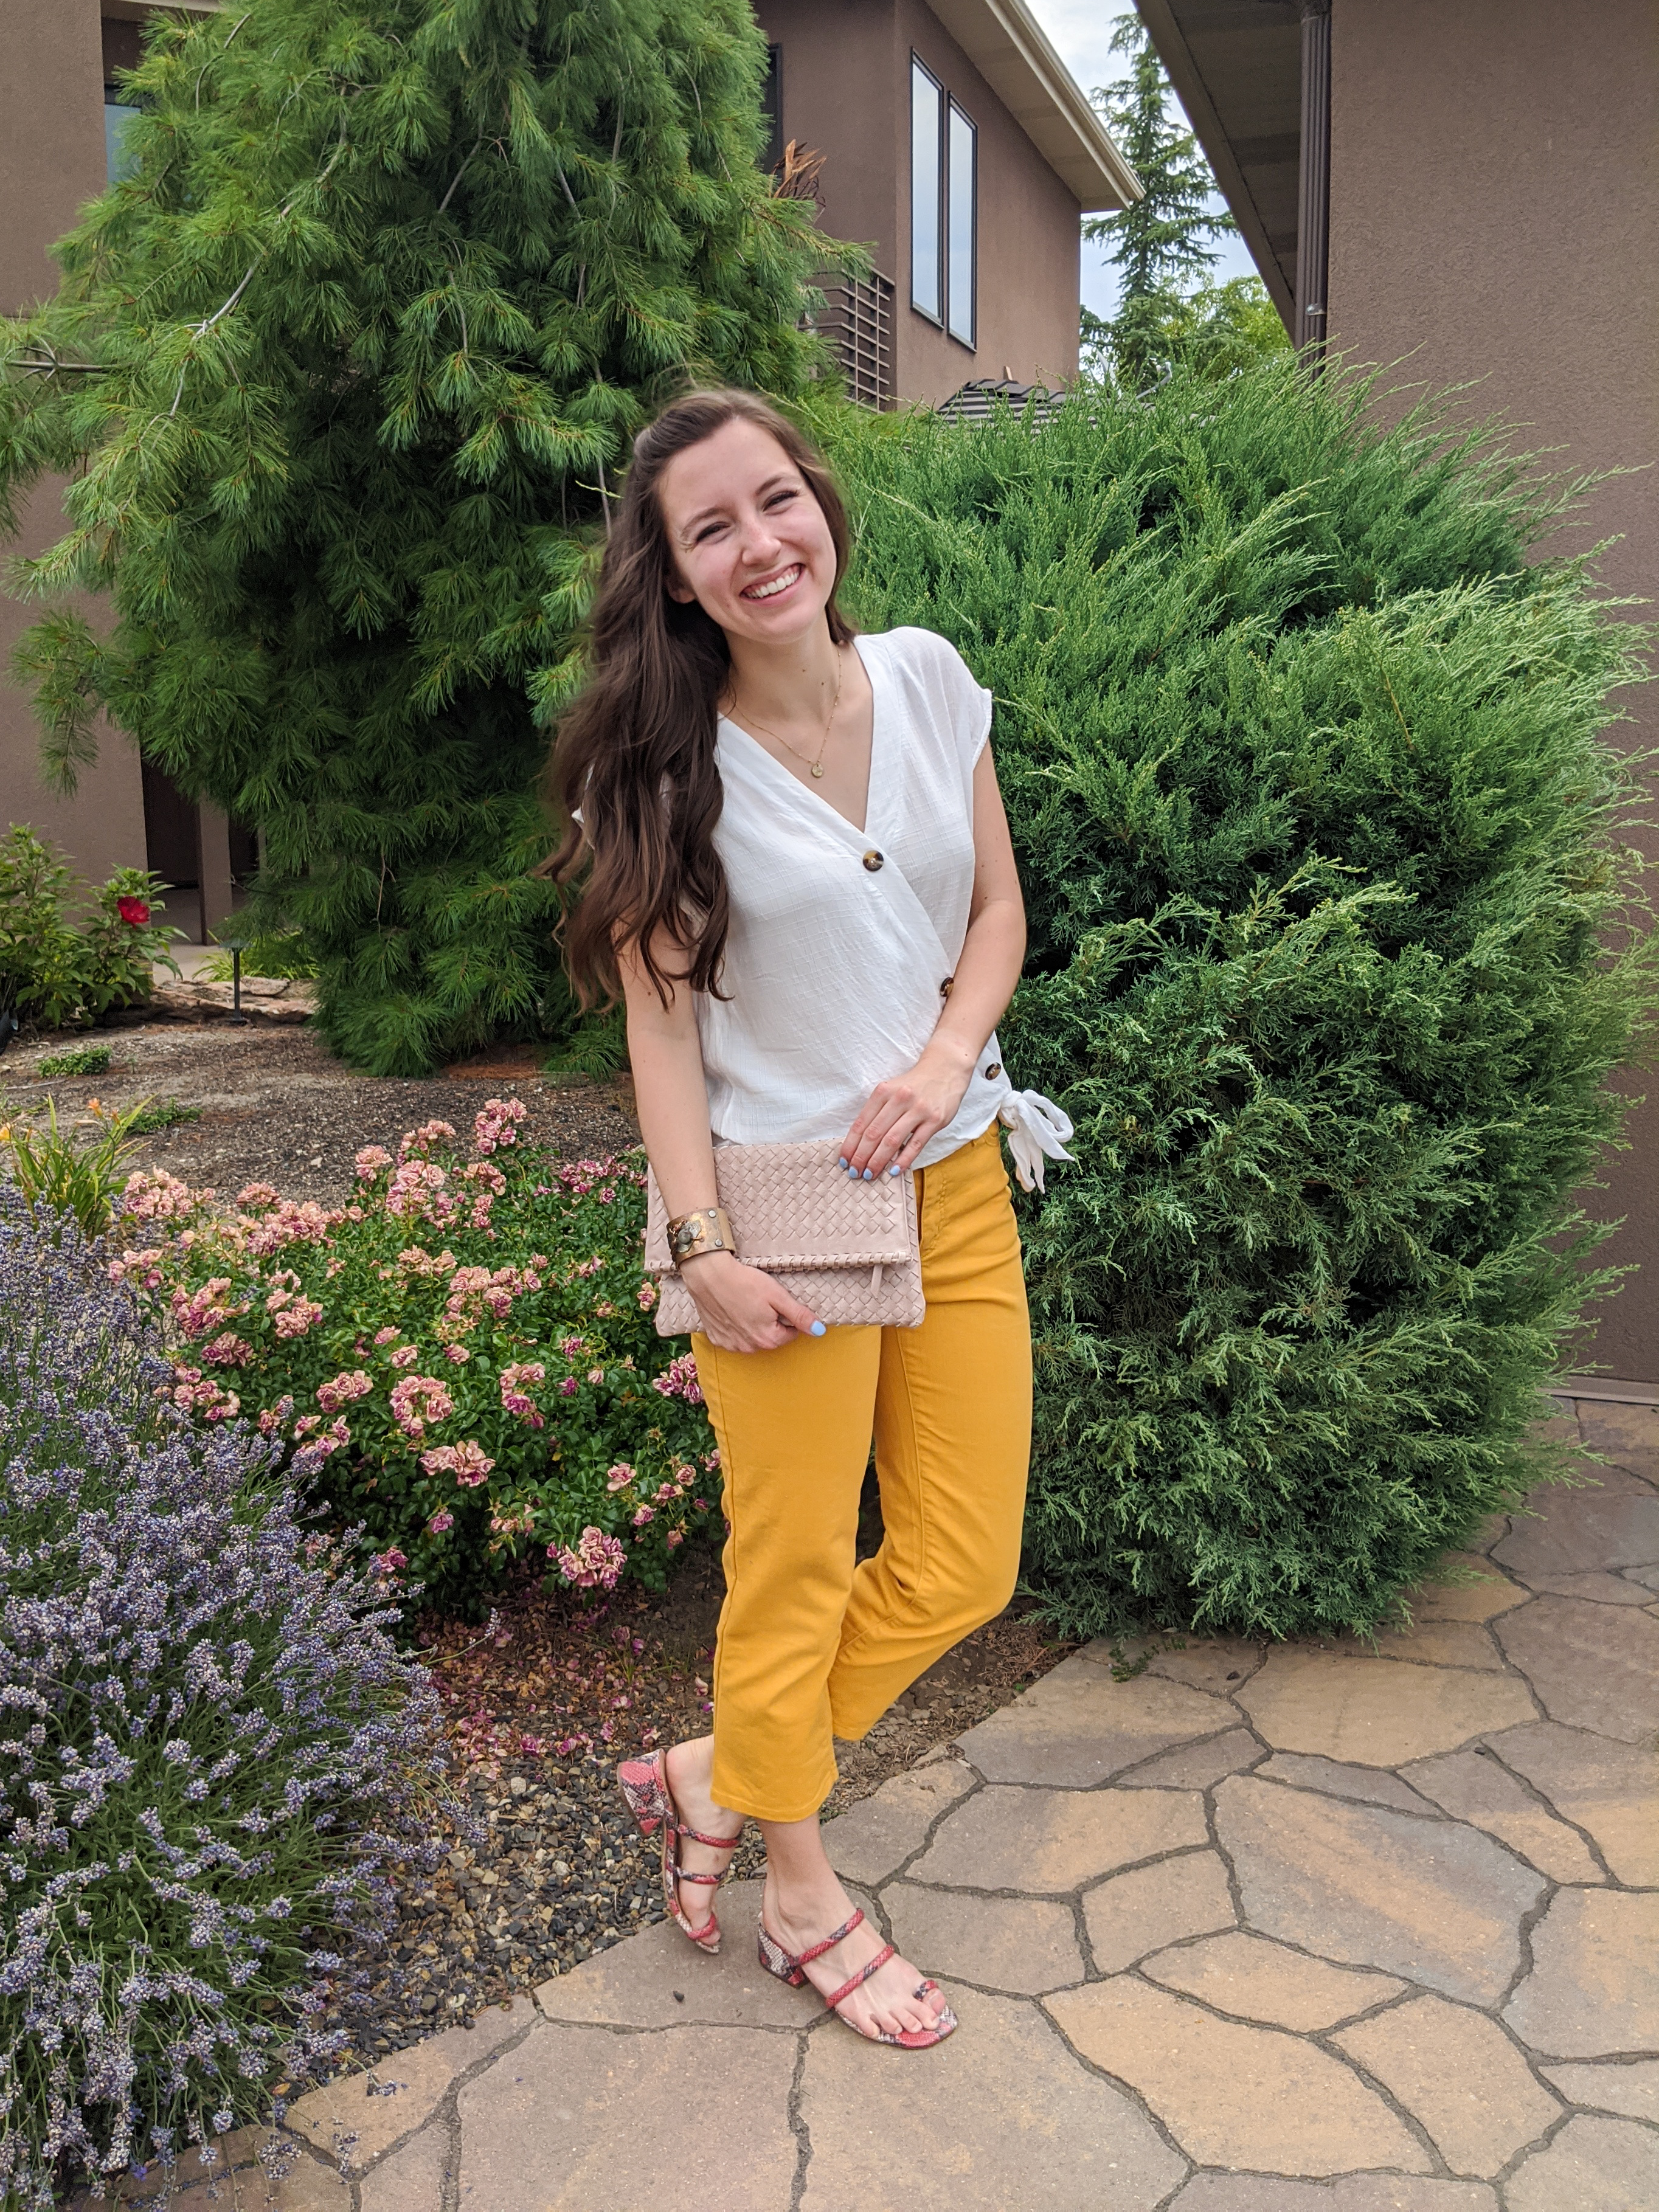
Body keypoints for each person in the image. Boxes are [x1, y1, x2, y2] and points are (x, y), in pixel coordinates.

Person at [547, 387, 1070, 2051]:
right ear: (678, 574)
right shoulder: (661, 762)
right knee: (790, 1570)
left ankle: (719, 1769)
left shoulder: (926, 678)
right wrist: (701, 1255)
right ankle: (797, 1890)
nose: (761, 543)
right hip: (781, 1214)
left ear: (820, 503)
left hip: (957, 1174)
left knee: (965, 1560)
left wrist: (940, 1058)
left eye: (776, 501)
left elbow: (995, 907)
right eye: (714, 528)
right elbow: (658, 1025)